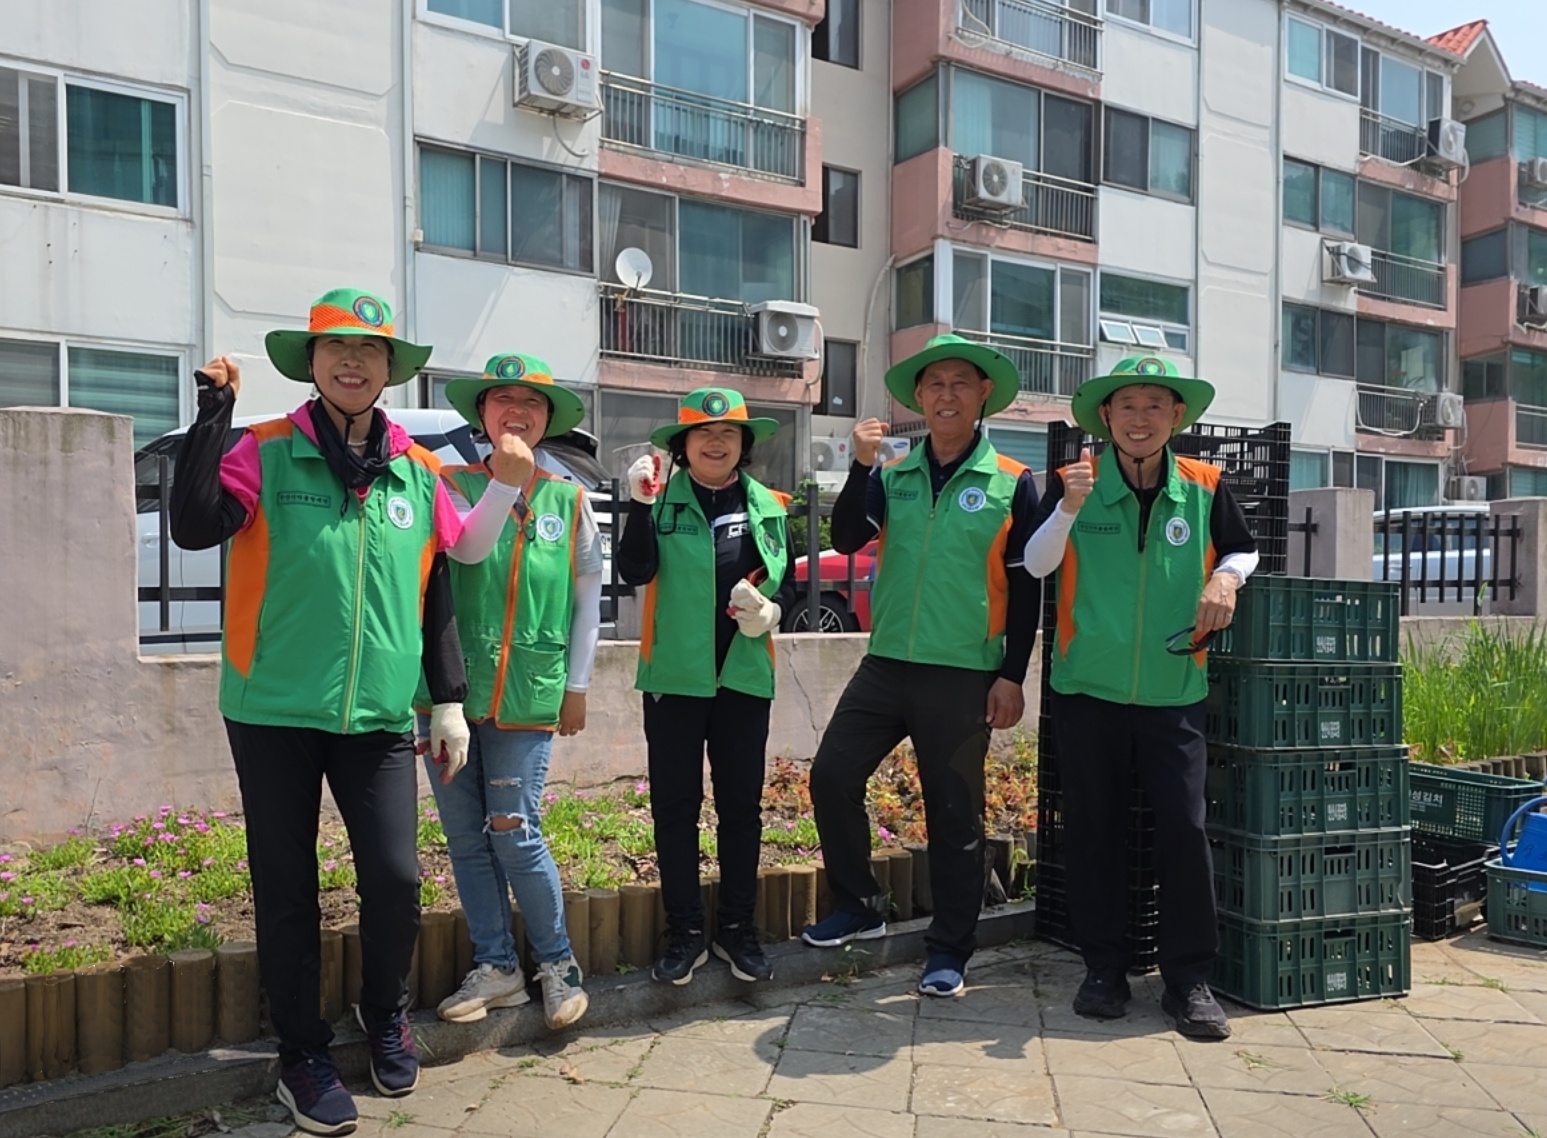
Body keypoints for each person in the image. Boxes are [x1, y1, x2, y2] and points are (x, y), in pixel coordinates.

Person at [170, 288, 472, 1136]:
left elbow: (435, 585)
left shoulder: (418, 470)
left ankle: (385, 1018)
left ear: (388, 369)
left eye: (370, 351)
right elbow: (195, 526)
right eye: (336, 348)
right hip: (270, 710)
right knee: (286, 885)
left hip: (377, 717)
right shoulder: (261, 451)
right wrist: (210, 418)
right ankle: (301, 1053)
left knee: (396, 880)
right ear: (311, 362)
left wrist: (444, 701)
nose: (352, 362)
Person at [1022, 355, 1258, 1041]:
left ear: (1176, 417)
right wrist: (1066, 507)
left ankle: (1187, 980)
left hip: (1171, 688)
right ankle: (1103, 968)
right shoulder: (1076, 483)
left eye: (1155, 405)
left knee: (1181, 831)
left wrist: (1224, 580)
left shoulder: (1205, 484)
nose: (1139, 417)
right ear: (1105, 416)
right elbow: (1034, 564)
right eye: (1126, 405)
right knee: (1093, 829)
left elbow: (1241, 550)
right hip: (1085, 688)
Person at [801, 334, 1041, 999]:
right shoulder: (893, 474)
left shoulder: (1013, 483)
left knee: (953, 813)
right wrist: (859, 465)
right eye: (933, 384)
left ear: (981, 394)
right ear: (918, 399)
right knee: (831, 775)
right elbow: (846, 537)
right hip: (886, 666)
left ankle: (949, 950)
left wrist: (1011, 674)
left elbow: (1027, 588)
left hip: (964, 673)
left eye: (959, 383)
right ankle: (857, 905)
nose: (945, 395)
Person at [420, 353, 599, 1032]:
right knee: (466, 838)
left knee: (515, 832)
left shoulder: (569, 498)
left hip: (529, 693)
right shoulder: (451, 483)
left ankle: (557, 965)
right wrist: (505, 484)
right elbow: (463, 554)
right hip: (446, 694)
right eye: (501, 401)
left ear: (547, 419)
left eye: (531, 403)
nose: (516, 412)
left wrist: (577, 686)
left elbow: (587, 594)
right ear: (482, 414)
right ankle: (497, 968)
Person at [617, 388, 795, 986]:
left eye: (728, 434)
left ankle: (738, 930)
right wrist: (639, 507)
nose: (716, 443)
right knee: (675, 809)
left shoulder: (768, 504)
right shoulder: (660, 501)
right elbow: (634, 570)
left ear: (743, 446)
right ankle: (686, 930)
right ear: (683, 446)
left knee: (741, 809)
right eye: (703, 434)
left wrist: (771, 610)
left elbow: (786, 581)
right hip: (673, 678)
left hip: (743, 677)